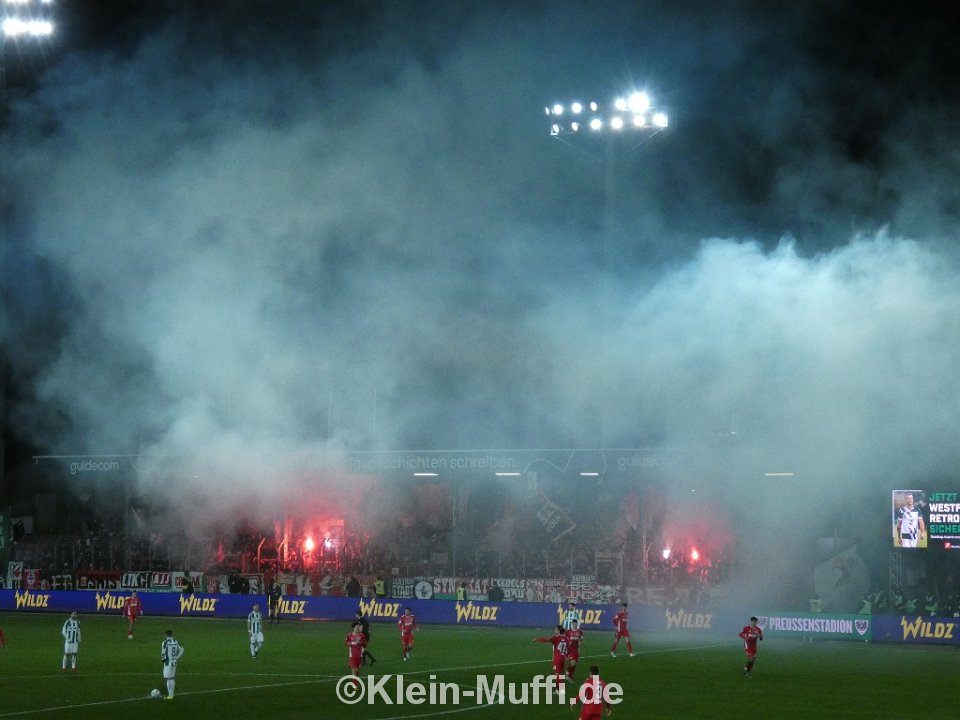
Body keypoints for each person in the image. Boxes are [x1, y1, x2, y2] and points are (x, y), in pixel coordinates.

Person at [533, 624, 568, 693]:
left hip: (557, 658)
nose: (554, 630)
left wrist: (537, 640)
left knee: (557, 675)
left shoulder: (555, 638)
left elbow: (546, 639)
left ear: (558, 631)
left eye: (555, 629)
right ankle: (559, 689)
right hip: (563, 658)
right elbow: (567, 648)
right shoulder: (566, 638)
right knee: (560, 674)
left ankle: (560, 690)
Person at [161, 629, 184, 699]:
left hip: (168, 662)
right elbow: (182, 649)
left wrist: (163, 661)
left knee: (168, 679)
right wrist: (177, 657)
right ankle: (171, 694)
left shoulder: (165, 642)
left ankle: (170, 695)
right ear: (172, 634)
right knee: (171, 678)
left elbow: (163, 653)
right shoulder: (176, 641)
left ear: (166, 635)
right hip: (174, 662)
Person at [345, 621, 367, 686]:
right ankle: (355, 685)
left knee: (357, 671)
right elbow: (346, 643)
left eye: (358, 627)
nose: (358, 628)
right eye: (357, 627)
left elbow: (365, 644)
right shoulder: (349, 635)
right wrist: (352, 643)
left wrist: (360, 643)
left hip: (359, 655)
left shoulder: (362, 635)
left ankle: (355, 680)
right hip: (352, 656)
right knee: (355, 670)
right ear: (353, 628)